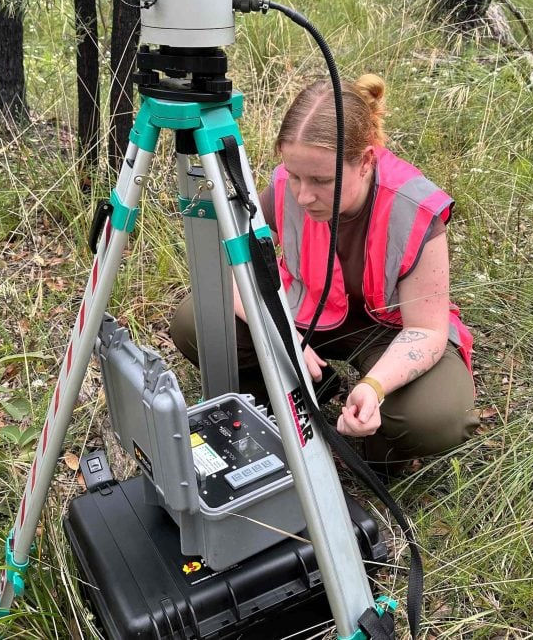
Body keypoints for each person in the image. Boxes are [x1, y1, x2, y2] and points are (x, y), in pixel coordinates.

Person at [171, 73, 479, 469]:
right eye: (294, 175)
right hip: (304, 315)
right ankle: (297, 398)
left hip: (390, 332)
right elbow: (224, 260)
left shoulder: (415, 209)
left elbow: (427, 330)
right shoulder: (287, 184)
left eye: (321, 180)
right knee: (196, 320)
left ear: (366, 161)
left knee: (438, 419)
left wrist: (374, 386)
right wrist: (277, 332)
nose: (302, 194)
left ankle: (374, 447)